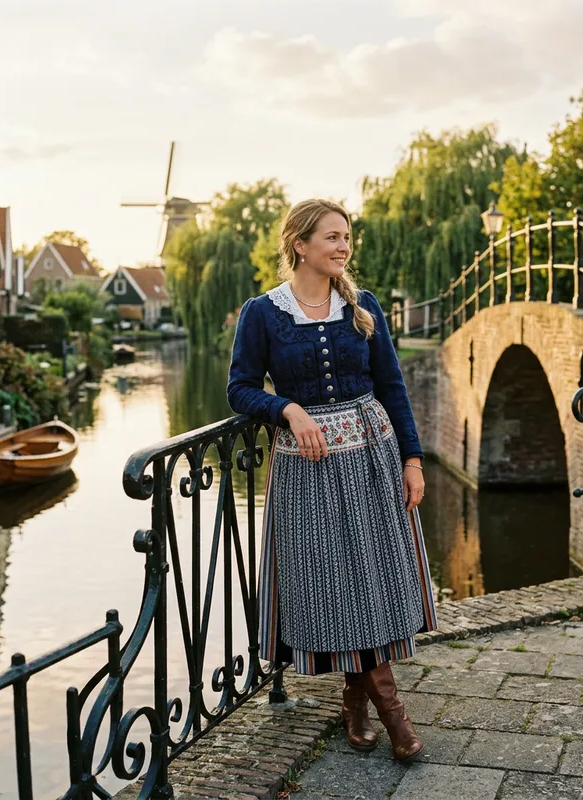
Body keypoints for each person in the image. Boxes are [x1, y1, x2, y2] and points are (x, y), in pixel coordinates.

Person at [226, 198, 437, 762]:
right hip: (308, 469)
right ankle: (385, 708)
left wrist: (412, 460)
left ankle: (364, 701)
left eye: (347, 237)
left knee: (370, 580)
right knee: (334, 584)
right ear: (300, 244)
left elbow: (392, 387)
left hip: (371, 456)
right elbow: (239, 389)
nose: (344, 247)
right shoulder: (262, 313)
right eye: (332, 237)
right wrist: (287, 409)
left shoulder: (363, 306)